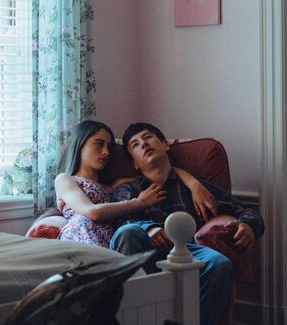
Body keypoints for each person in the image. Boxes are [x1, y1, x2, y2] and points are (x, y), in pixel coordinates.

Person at [110, 122, 265, 325]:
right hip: (145, 247)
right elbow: (119, 221)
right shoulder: (129, 189)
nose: (143, 144)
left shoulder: (196, 188)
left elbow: (246, 210)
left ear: (165, 145)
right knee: (128, 232)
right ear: (135, 164)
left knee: (219, 264)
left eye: (148, 137)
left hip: (188, 249)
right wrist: (147, 228)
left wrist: (249, 226)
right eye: (135, 144)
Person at [55, 120, 218, 248]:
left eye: (109, 147)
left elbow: (160, 175)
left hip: (113, 243)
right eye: (99, 144)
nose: (106, 152)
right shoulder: (65, 180)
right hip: (82, 239)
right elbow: (92, 212)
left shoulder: (113, 186)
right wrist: (139, 203)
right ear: (80, 143)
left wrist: (194, 184)